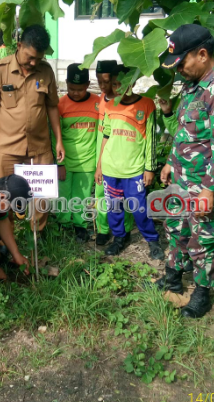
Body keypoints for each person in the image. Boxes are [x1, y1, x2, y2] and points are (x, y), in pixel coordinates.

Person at [157, 24, 214, 318]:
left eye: (182, 62)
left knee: (203, 238)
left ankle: (202, 294)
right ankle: (172, 280)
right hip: (182, 177)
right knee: (177, 229)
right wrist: (170, 161)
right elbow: (185, 131)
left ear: (202, 54)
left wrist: (209, 189)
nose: (179, 68)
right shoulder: (193, 84)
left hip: (205, 183)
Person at [0, 24, 65, 232]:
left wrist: (59, 140)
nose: (34, 62)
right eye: (30, 57)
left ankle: (37, 236)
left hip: (40, 147)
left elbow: (52, 107)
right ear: (19, 46)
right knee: (4, 195)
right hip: (7, 149)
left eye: (39, 58)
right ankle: (7, 240)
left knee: (42, 196)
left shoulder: (45, 71)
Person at [95, 65, 164, 260]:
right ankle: (119, 238)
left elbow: (151, 139)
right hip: (110, 168)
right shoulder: (109, 105)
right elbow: (106, 136)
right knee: (114, 208)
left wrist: (149, 168)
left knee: (139, 208)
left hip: (133, 170)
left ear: (132, 83)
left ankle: (152, 240)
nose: (117, 88)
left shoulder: (147, 105)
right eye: (114, 84)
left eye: (122, 84)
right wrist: (100, 166)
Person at [53, 63, 100, 242]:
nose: (75, 93)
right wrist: (59, 164)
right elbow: (54, 136)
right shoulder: (59, 104)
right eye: (71, 88)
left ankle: (80, 226)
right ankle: (63, 225)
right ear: (65, 83)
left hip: (88, 160)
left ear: (88, 85)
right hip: (65, 160)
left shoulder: (97, 103)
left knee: (82, 195)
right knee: (63, 195)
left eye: (80, 89)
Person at [94, 60, 134, 245]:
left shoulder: (126, 103)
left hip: (120, 149)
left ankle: (124, 230)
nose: (103, 86)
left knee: (122, 194)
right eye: (99, 81)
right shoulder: (101, 99)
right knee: (101, 192)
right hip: (102, 147)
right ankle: (103, 229)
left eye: (107, 81)